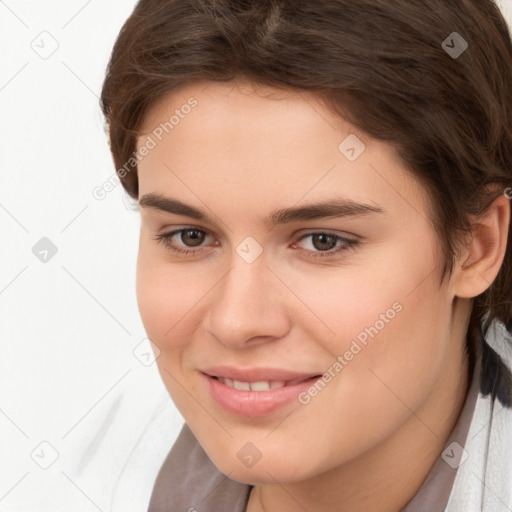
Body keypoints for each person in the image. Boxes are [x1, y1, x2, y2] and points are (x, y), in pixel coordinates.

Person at [98, 0, 512, 510]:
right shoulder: (77, 470)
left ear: (477, 246)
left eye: (323, 241)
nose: (236, 321)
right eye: (189, 236)